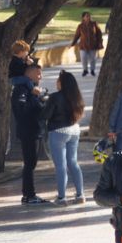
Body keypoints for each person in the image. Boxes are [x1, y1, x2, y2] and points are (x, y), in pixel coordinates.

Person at [44, 69, 87, 205]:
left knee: (61, 165)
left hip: (58, 131)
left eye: (58, 80)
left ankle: (62, 197)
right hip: (74, 130)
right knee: (73, 162)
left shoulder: (55, 97)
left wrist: (42, 103)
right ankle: (80, 195)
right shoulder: (76, 97)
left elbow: (45, 115)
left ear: (61, 83)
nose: (56, 83)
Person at [10, 61, 47, 205]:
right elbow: (21, 109)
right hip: (28, 131)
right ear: (29, 74)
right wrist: (35, 98)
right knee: (29, 163)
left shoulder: (31, 88)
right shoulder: (22, 89)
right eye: (38, 73)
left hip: (34, 130)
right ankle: (29, 194)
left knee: (31, 163)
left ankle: (28, 194)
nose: (40, 76)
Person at [71, 11, 103, 75]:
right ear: (83, 18)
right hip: (83, 45)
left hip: (92, 45)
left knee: (92, 59)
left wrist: (100, 42)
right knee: (83, 58)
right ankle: (85, 70)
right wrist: (73, 43)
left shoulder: (94, 24)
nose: (89, 17)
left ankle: (92, 70)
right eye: (87, 16)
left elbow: (99, 34)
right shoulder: (80, 26)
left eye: (89, 16)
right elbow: (77, 35)